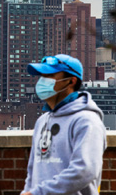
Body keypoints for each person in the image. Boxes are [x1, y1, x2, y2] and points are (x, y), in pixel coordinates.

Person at [21, 54, 106, 195]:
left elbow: (85, 170)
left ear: (71, 81)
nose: (42, 81)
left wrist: (39, 193)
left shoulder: (87, 121)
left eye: (50, 75)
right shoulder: (42, 121)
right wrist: (28, 191)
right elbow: (32, 171)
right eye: (41, 76)